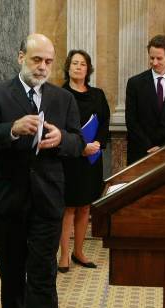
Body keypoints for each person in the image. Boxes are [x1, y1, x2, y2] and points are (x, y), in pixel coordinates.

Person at [0, 33, 85, 308]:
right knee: (11, 269)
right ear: (20, 56)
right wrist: (11, 128)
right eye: (37, 60)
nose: (43, 67)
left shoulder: (63, 98)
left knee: (42, 275)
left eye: (49, 62)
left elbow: (77, 140)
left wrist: (62, 140)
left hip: (47, 200)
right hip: (8, 200)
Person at [58, 50, 110, 273]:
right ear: (68, 67)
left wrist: (97, 143)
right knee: (68, 207)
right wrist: (80, 147)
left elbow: (104, 123)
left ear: (88, 69)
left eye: (83, 64)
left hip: (92, 159)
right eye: (74, 63)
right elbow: (58, 128)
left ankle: (78, 252)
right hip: (70, 159)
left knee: (85, 207)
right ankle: (63, 256)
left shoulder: (97, 95)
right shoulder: (59, 95)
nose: (78, 67)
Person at [125, 34, 165, 164]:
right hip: (141, 152)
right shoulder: (135, 83)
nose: (154, 63)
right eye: (152, 58)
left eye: (159, 58)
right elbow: (131, 120)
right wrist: (149, 146)